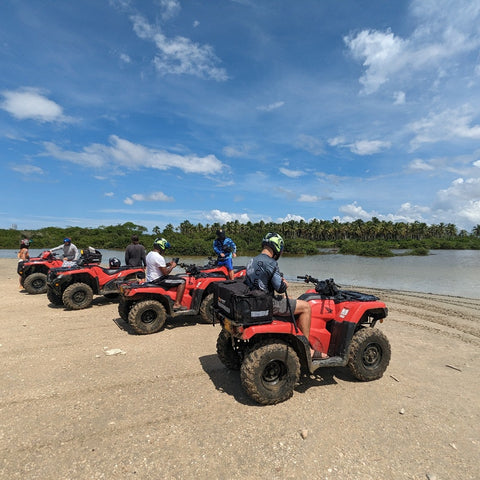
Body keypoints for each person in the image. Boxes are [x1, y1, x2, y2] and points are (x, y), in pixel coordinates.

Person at [245, 232, 324, 360]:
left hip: (253, 301)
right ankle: (307, 348)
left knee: (290, 298)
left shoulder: (252, 260)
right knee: (306, 307)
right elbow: (280, 288)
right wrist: (285, 284)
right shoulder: (271, 263)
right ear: (277, 247)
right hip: (267, 303)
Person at [146, 237, 186, 311]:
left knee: (175, 277)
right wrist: (172, 266)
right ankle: (177, 304)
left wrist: (168, 264)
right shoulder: (159, 257)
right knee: (182, 281)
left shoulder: (149, 254)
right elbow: (165, 273)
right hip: (158, 280)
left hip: (151, 278)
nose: (164, 250)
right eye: (165, 248)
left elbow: (157, 266)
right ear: (161, 246)